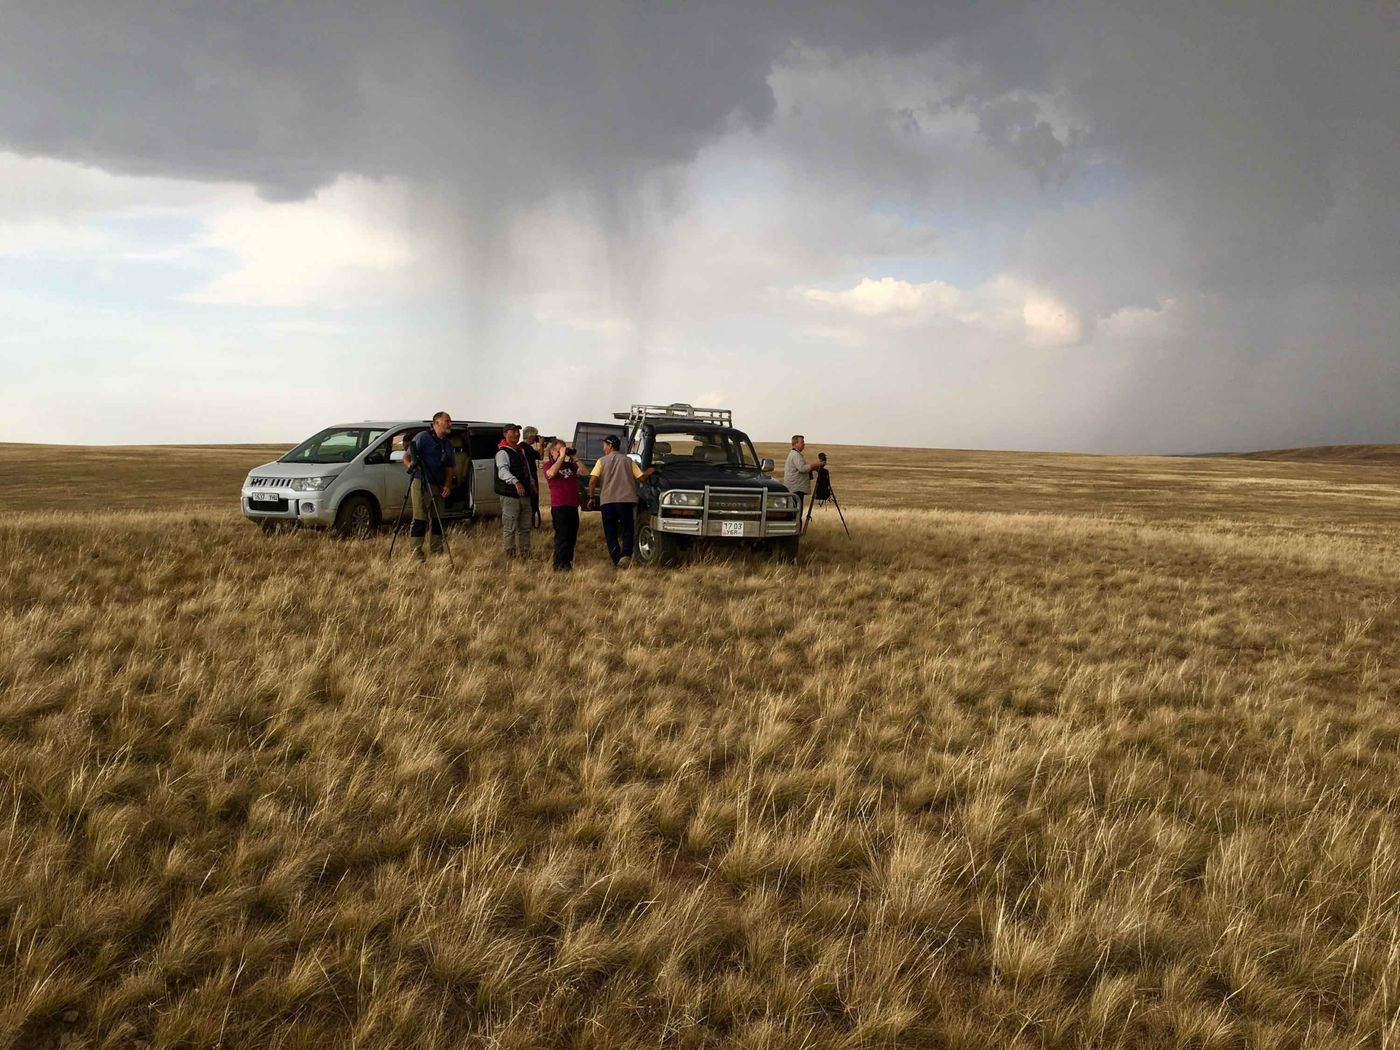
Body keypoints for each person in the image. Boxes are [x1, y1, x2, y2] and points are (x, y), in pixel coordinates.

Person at [586, 434, 655, 568]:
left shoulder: (601, 461)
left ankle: (616, 558)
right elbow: (641, 479)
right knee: (628, 528)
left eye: (605, 445)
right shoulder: (628, 461)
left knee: (610, 531)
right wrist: (649, 472)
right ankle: (625, 555)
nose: (603, 447)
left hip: (607, 501)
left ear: (610, 446)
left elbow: (592, 480)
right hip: (625, 501)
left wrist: (591, 497)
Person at [402, 412, 456, 560]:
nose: (450, 424)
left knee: (438, 519)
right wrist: (413, 468)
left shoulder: (447, 443)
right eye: (447, 421)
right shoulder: (423, 437)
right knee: (420, 518)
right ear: (437, 423)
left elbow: (450, 467)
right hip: (421, 483)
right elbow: (406, 458)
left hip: (439, 485)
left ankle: (437, 551)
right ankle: (416, 553)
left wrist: (447, 485)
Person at [494, 423, 534, 561]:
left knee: (525, 526)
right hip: (510, 495)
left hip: (524, 494)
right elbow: (502, 471)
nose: (517, 434)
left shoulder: (520, 451)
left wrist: (532, 484)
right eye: (513, 431)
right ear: (505, 434)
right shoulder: (502, 452)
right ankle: (510, 556)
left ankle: (525, 554)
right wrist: (516, 482)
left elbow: (526, 470)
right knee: (510, 527)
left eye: (517, 432)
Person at [542, 439, 582, 571]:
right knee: (562, 536)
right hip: (559, 505)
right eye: (559, 450)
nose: (563, 452)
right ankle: (558, 564)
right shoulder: (548, 465)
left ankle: (567, 563)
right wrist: (560, 458)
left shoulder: (570, 466)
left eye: (564, 449)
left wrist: (575, 457)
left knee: (571, 536)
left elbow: (585, 473)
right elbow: (551, 474)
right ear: (553, 451)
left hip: (572, 505)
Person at [784, 434, 820, 517]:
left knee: (795, 511)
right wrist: (815, 465)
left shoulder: (795, 454)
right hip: (796, 488)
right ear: (796, 443)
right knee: (796, 512)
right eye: (802, 442)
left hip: (795, 487)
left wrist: (813, 468)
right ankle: (796, 528)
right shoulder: (795, 455)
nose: (804, 444)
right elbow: (802, 468)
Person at [521, 425, 543, 528]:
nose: (536, 438)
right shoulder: (527, 448)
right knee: (533, 500)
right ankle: (531, 524)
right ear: (530, 436)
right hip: (531, 477)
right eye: (535, 435)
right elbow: (540, 456)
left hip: (524, 477)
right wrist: (542, 446)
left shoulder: (520, 446)